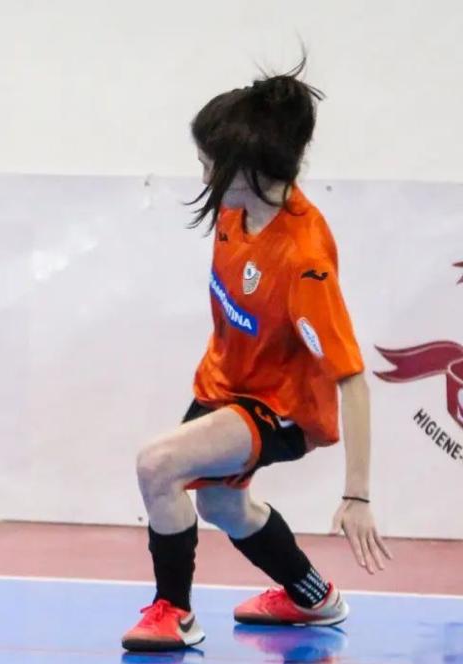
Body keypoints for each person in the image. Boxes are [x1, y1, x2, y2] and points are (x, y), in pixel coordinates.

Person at [121, 61, 392, 651]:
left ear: (247, 163)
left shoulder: (303, 260)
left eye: (208, 160)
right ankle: (312, 595)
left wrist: (357, 495)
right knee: (222, 504)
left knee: (156, 464)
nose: (202, 170)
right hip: (226, 385)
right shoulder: (233, 210)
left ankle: (175, 612)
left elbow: (352, 380)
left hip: (282, 406)